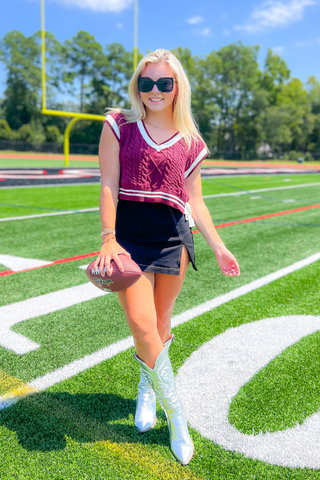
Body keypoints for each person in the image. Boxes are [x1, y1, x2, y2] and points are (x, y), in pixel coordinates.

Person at [94, 48, 240, 466]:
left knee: (158, 324)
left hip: (173, 238)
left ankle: (146, 387)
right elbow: (107, 183)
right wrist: (108, 237)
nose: (154, 90)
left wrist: (219, 245)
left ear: (177, 89)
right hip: (129, 240)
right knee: (141, 324)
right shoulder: (119, 124)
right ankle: (177, 415)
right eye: (146, 82)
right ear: (137, 85)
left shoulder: (192, 142)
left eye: (164, 83)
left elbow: (196, 201)